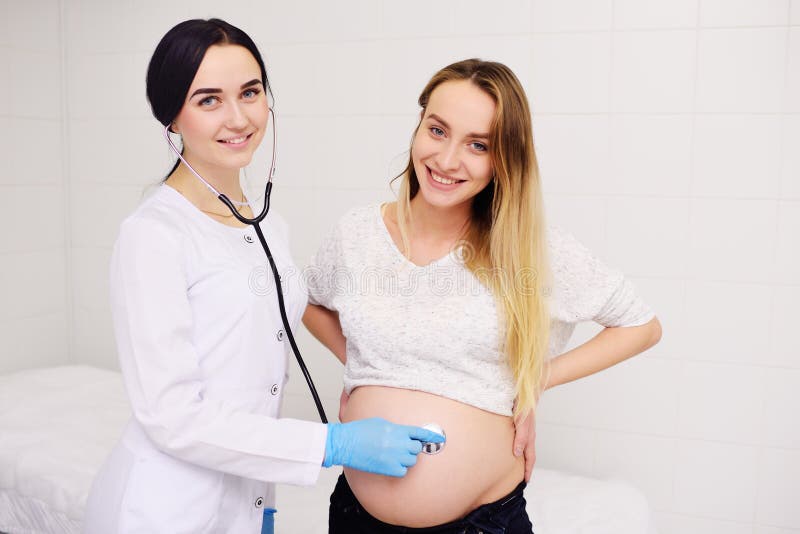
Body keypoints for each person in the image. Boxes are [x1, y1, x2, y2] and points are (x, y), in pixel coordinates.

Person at [83, 18, 442, 534]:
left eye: (250, 92)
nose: (238, 117)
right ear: (172, 119)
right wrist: (331, 445)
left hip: (245, 503)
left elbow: (257, 368)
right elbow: (172, 417)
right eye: (208, 99)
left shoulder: (266, 221)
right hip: (164, 510)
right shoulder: (153, 236)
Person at [303, 58, 663, 533]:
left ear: (503, 160)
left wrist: (532, 382)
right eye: (437, 130)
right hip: (357, 518)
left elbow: (641, 325)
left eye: (478, 145)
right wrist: (362, 366)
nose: (448, 160)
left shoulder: (528, 250)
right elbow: (303, 301)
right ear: (418, 127)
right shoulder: (357, 233)